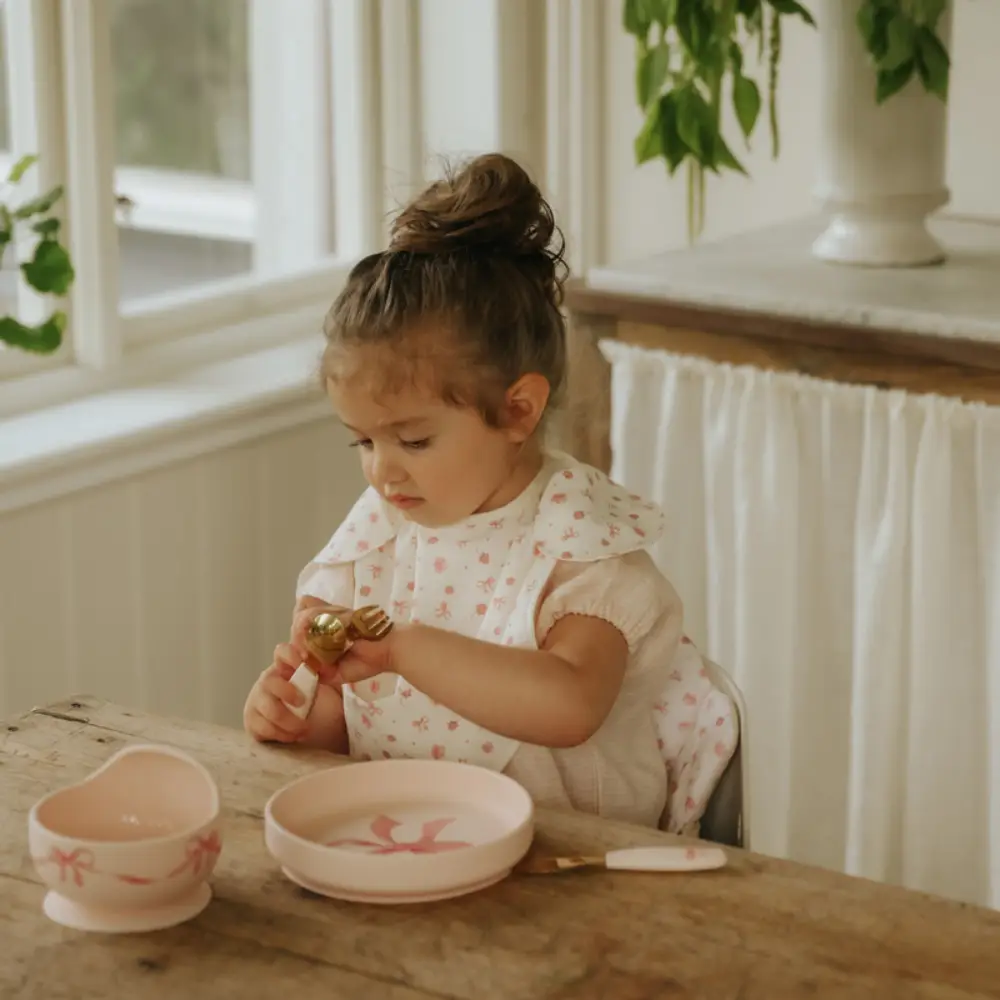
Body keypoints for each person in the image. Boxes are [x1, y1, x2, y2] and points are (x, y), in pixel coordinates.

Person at [242, 152, 689, 828]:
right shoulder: (377, 538)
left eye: (414, 441)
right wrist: (297, 716)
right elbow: (353, 728)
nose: (383, 473)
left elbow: (570, 706)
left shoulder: (576, 545)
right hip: (409, 838)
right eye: (364, 443)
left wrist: (403, 650)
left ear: (517, 411)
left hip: (579, 857)